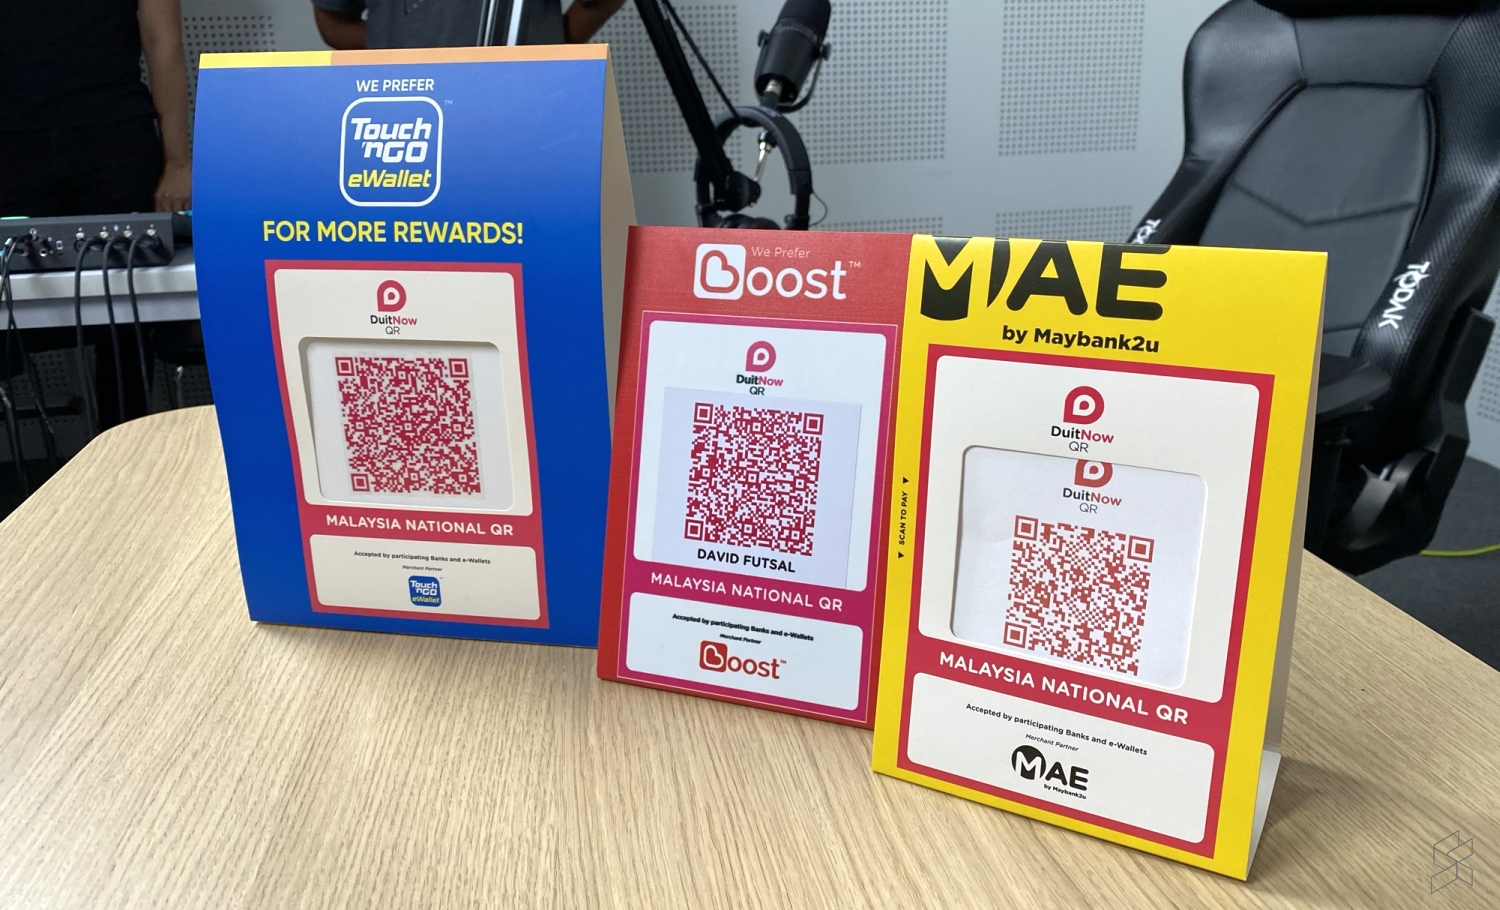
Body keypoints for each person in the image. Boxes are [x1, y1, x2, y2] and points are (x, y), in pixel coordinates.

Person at [0, 0, 192, 217]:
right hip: (11, 146)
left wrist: (178, 165)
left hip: (115, 141)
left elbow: (162, 42)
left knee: (129, 238)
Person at [312, 0, 626, 49]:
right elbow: (333, 22)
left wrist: (553, 44)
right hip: (405, 113)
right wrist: (396, 47)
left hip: (522, 102)